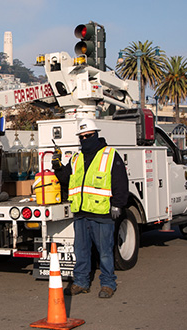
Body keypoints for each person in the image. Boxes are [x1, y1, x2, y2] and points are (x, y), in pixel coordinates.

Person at [52, 118, 129, 299]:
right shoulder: (77, 158)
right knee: (81, 251)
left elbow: (120, 181)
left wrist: (118, 204)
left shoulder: (109, 155)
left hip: (102, 214)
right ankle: (81, 282)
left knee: (105, 253)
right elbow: (67, 179)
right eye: (82, 136)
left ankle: (108, 283)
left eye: (89, 135)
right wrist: (57, 166)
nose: (85, 139)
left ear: (96, 135)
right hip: (80, 213)